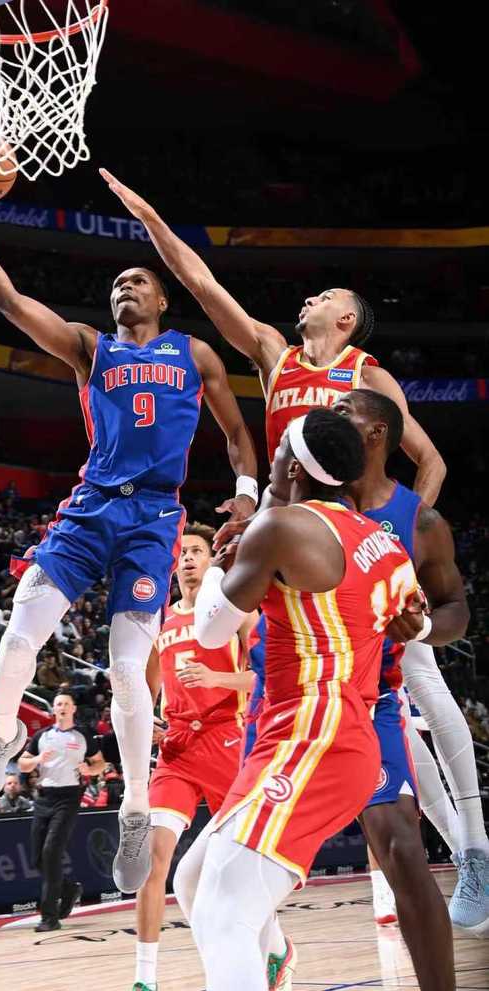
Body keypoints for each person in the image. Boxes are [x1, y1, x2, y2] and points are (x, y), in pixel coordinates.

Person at [0, 153, 258, 894]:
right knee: (21, 627)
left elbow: (239, 435)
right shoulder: (91, 346)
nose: (125, 286)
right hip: (91, 507)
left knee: (125, 667)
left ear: (162, 299)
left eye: (138, 280)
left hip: (154, 517)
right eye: (117, 282)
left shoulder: (195, 353)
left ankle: (136, 807)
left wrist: (245, 495)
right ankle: (1, 734)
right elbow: (9, 300)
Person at [171, 408, 422, 991]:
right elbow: (409, 618)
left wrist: (219, 567)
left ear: (293, 467)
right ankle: (276, 956)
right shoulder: (383, 543)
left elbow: (210, 631)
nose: (273, 457)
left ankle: (264, 965)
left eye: (280, 447)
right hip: (327, 729)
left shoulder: (280, 526)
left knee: (224, 912)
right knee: (194, 880)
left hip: (314, 732)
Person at [100, 169, 446, 506]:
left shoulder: (368, 376)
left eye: (325, 298)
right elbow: (202, 284)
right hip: (284, 506)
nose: (309, 299)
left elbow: (431, 461)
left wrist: (407, 526)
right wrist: (149, 218)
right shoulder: (275, 354)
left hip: (341, 512)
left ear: (347, 319)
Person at [336, 389, 486, 937]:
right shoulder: (320, 499)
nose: (332, 416)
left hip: (396, 635)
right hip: (343, 655)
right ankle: (463, 852)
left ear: (377, 432)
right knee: (397, 731)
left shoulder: (417, 518)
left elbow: (456, 611)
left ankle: (475, 847)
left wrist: (420, 625)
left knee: (424, 683)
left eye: (345, 411)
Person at [133, 523, 255, 991]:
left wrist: (215, 678)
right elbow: (144, 694)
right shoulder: (159, 623)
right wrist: (146, 724)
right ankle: (145, 978)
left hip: (227, 741)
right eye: (181, 552)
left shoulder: (236, 613)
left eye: (196, 551)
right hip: (178, 749)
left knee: (239, 867)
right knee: (152, 857)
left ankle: (269, 949)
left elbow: (265, 678)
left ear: (211, 561)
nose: (187, 558)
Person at [18, 693, 105, 931]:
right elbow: (23, 764)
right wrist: (37, 759)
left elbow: (100, 763)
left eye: (66, 703)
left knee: (51, 853)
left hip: (69, 797)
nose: (62, 707)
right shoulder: (42, 736)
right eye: (58, 704)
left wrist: (90, 769)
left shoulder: (83, 735)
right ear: (54, 709)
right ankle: (69, 889)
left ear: (73, 708)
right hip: (44, 797)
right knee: (37, 859)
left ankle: (49, 917)